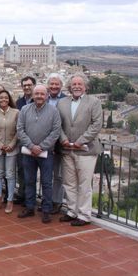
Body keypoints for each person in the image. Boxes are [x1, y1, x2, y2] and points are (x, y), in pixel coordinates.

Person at [57, 74, 103, 226]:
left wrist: (80, 141)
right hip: (66, 149)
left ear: (85, 87)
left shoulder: (94, 102)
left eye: (79, 84)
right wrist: (63, 139)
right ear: (70, 87)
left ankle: (84, 215)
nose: (76, 86)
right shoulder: (62, 102)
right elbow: (58, 124)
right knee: (69, 183)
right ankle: (72, 211)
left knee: (84, 184)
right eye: (74, 84)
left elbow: (96, 125)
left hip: (86, 150)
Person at [16, 85, 62, 224]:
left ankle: (46, 210)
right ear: (33, 95)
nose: (39, 96)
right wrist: (31, 146)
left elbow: (56, 132)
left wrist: (41, 147)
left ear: (47, 95)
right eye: (37, 94)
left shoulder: (54, 111)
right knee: (29, 180)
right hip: (28, 152)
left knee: (46, 182)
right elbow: (20, 129)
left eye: (42, 94)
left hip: (46, 153)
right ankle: (30, 207)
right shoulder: (24, 109)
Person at [14, 76, 37, 205]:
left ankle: (30, 198)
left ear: (34, 85)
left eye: (29, 85)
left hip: (37, 142)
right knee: (22, 169)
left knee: (33, 172)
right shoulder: (19, 102)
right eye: (25, 85)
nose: (27, 87)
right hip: (22, 142)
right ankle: (23, 194)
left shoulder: (39, 100)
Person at [47, 73, 67, 214]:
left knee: (58, 176)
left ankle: (56, 201)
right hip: (43, 143)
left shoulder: (67, 100)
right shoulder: (43, 98)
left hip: (59, 144)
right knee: (46, 175)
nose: (54, 86)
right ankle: (46, 201)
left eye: (57, 84)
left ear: (61, 86)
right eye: (52, 84)